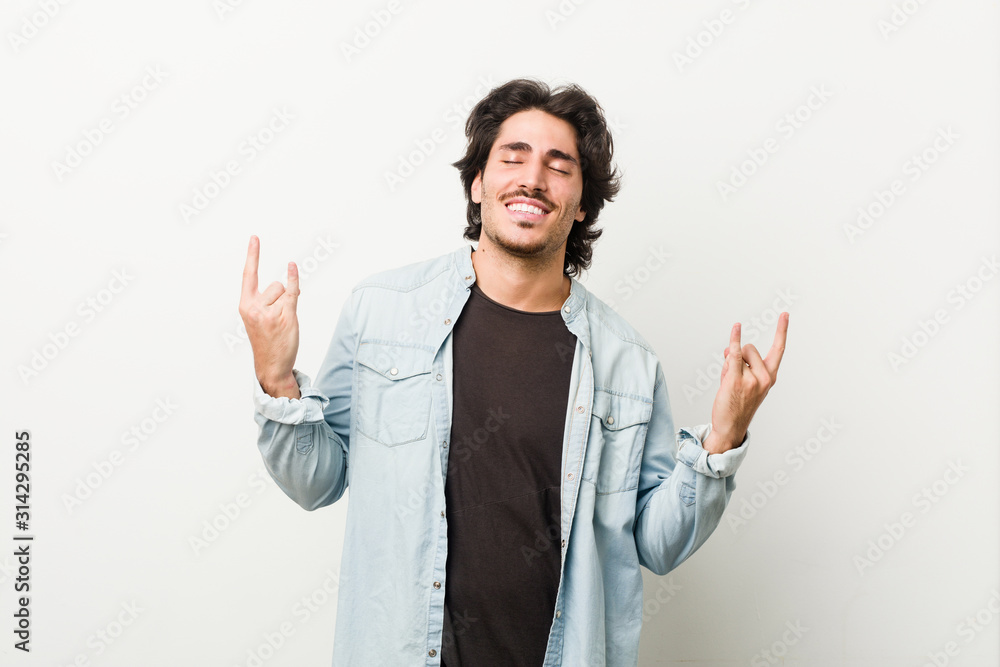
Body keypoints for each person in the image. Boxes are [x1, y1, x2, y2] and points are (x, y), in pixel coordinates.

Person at [239, 78, 788, 667]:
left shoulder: (628, 363)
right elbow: (317, 480)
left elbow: (655, 544)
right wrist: (277, 378)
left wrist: (723, 439)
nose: (532, 178)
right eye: (513, 157)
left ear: (581, 204)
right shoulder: (381, 311)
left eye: (559, 166)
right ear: (478, 183)